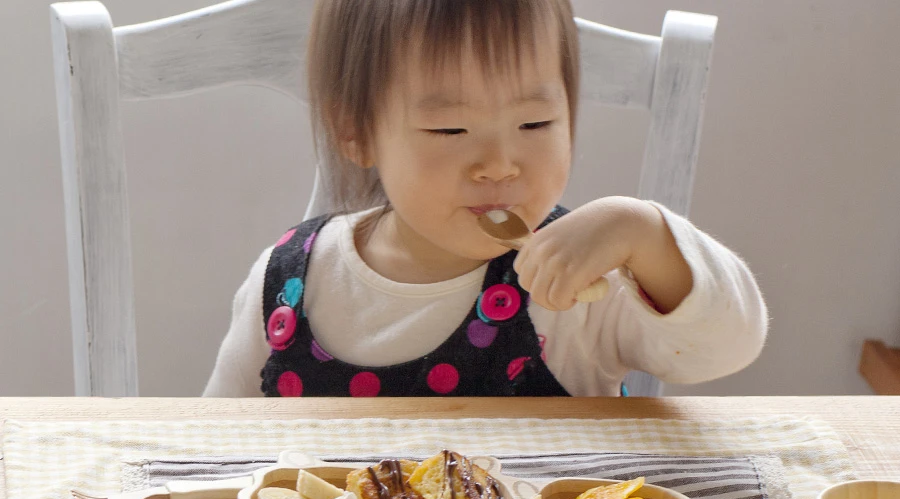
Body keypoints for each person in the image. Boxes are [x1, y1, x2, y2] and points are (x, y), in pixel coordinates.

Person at [204, 0, 767, 398]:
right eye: (450, 130)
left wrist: (643, 232)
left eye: (535, 122)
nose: (499, 164)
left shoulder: (580, 287)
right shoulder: (288, 283)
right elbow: (212, 450)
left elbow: (726, 347)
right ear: (356, 131)